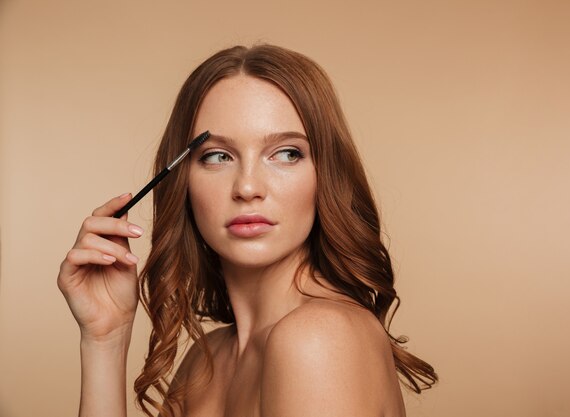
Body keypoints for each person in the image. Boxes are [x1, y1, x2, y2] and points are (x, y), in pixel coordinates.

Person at [57, 44, 437, 417]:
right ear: (183, 183)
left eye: (287, 153)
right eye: (218, 156)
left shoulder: (318, 339)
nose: (247, 187)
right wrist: (104, 340)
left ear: (326, 176)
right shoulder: (206, 361)